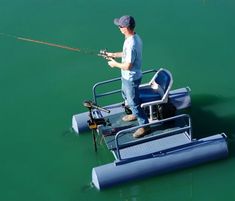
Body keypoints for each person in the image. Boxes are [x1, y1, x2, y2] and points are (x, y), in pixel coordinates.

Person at [106, 15, 150, 138]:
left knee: (134, 103)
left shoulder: (131, 44)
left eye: (120, 26)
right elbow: (126, 54)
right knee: (125, 95)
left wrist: (114, 64)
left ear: (125, 28)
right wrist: (112, 54)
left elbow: (128, 66)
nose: (118, 28)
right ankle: (135, 114)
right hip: (127, 77)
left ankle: (145, 126)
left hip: (131, 78)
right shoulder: (132, 37)